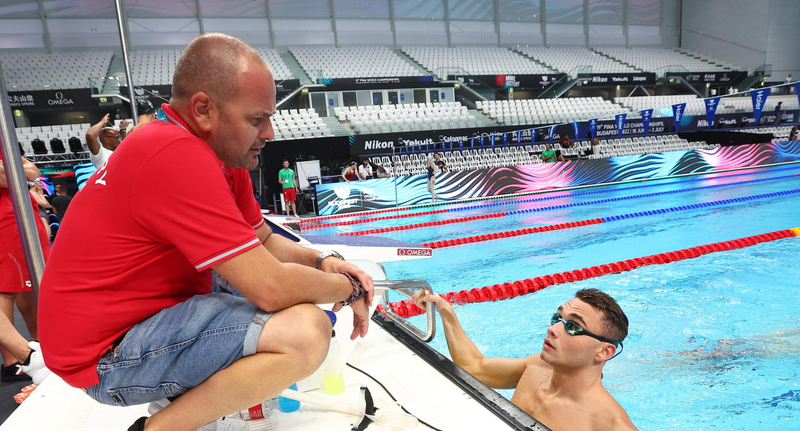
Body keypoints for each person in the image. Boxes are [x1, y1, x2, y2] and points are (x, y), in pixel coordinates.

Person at [38, 33, 374, 431]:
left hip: (130, 321)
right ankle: (160, 428)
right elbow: (272, 288)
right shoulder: (172, 153)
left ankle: (187, 400)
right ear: (203, 110)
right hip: (103, 357)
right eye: (256, 119)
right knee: (305, 332)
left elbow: (264, 240)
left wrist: (327, 262)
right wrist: (349, 289)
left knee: (286, 291)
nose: (269, 133)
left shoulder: (216, 152)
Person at [413, 288, 637, 431]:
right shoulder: (536, 367)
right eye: (557, 318)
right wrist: (445, 311)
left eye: (574, 326)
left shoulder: (610, 425)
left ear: (604, 352)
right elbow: (475, 367)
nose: (552, 329)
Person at [0, 154, 51, 382]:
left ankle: (37, 346)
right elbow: (13, 176)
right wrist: (18, 172)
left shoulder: (4, 146)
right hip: (6, 221)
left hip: (22, 217)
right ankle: (14, 360)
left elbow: (33, 172)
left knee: (27, 284)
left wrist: (17, 171)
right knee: (6, 289)